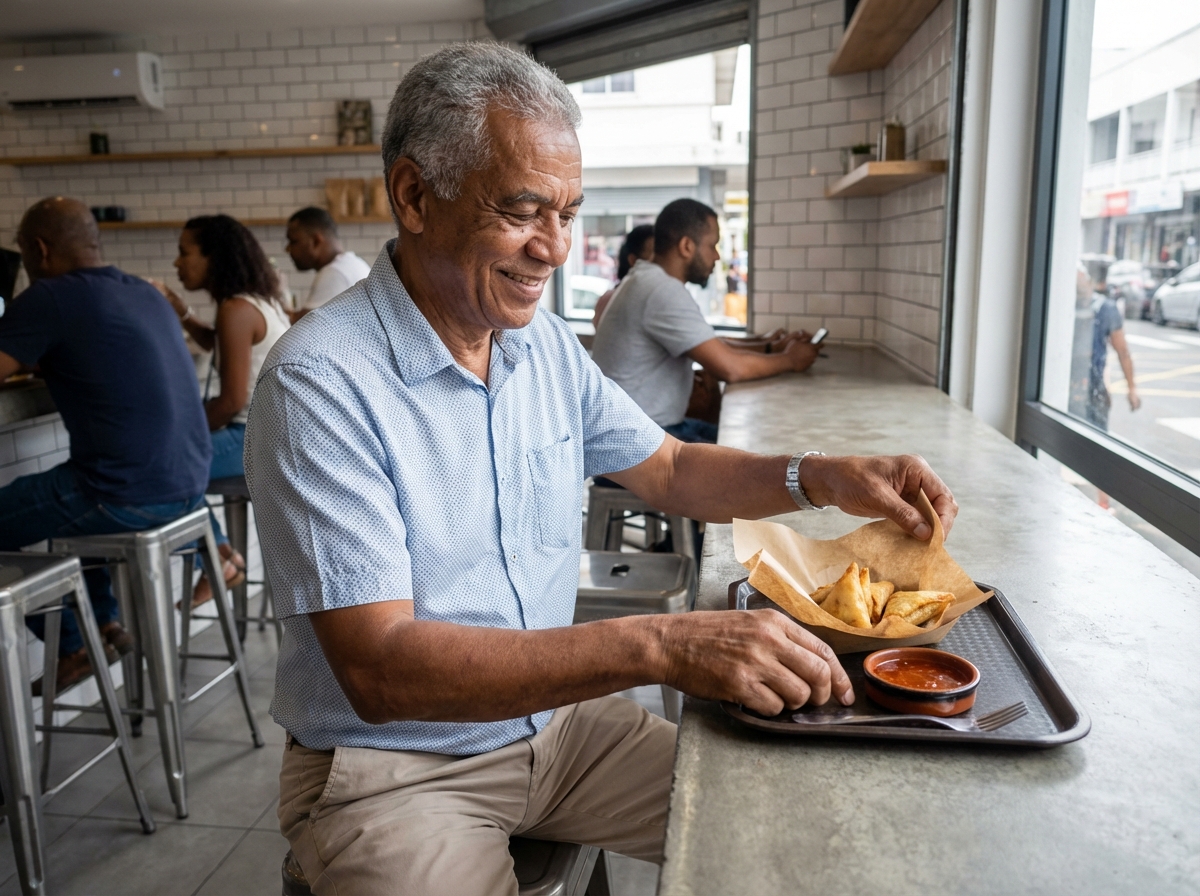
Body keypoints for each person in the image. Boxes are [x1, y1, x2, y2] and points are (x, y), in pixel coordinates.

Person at [245, 43, 959, 896]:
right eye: (522, 211)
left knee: (798, 818)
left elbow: (670, 467)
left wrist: (820, 476)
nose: (553, 249)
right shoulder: (319, 380)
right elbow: (382, 667)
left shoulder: (538, 343)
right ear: (414, 195)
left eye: (569, 213)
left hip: (559, 731)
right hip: (397, 767)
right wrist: (658, 644)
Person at [0, 197, 211, 690]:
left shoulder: (49, 298)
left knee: (73, 494)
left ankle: (74, 647)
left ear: (39, 248)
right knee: (71, 498)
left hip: (128, 495)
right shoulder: (144, 291)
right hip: (188, 489)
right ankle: (104, 624)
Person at [591, 198, 818, 444]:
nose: (717, 256)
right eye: (713, 245)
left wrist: (771, 348)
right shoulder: (661, 290)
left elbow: (710, 345)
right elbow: (730, 368)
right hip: (634, 443)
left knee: (744, 444)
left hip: (641, 430)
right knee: (754, 451)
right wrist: (791, 360)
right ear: (687, 246)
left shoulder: (646, 280)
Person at [154, 214, 290, 603]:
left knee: (162, 471)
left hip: (251, 436)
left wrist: (186, 434)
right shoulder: (257, 302)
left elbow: (231, 402)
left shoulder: (236, 309)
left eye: (185, 253)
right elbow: (221, 344)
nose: (178, 263)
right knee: (168, 465)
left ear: (215, 258)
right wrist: (182, 312)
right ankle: (221, 555)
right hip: (269, 433)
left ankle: (218, 558)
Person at [283, 207, 372, 323]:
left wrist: (278, 293)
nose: (287, 249)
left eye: (293, 241)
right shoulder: (352, 263)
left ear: (316, 241)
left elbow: (300, 330)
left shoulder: (334, 273)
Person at [1085, 261, 1141, 432]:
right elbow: (1123, 352)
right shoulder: (1106, 307)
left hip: (1072, 380)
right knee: (1096, 436)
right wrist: (1131, 389)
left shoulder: (1072, 303)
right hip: (1092, 384)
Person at [591, 223, 654, 328]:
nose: (661, 264)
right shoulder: (614, 300)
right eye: (654, 257)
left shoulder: (609, 297)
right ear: (633, 260)